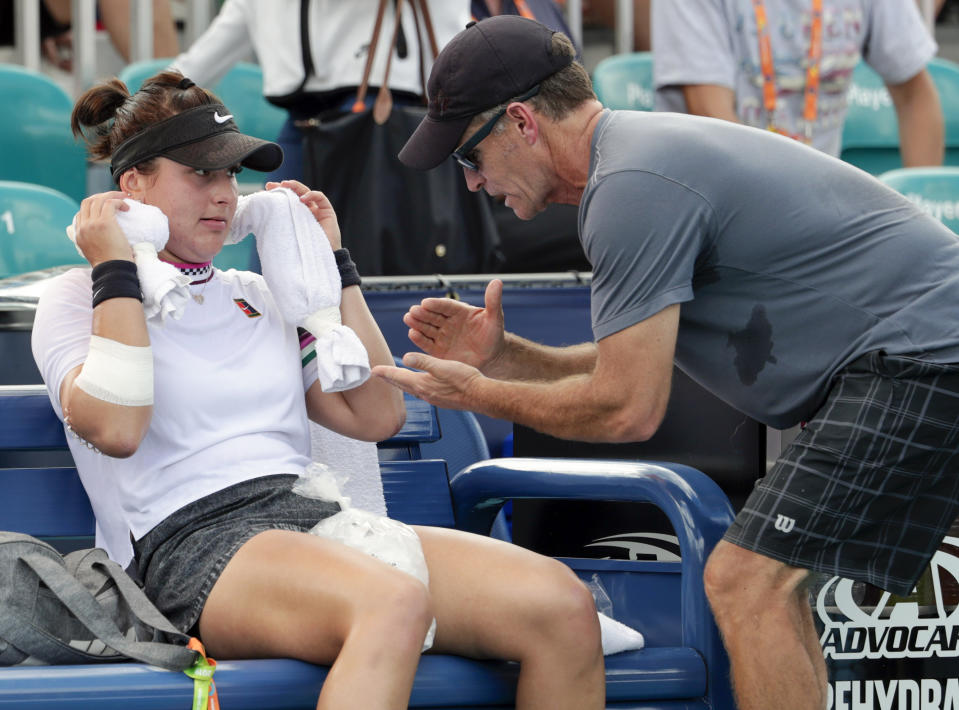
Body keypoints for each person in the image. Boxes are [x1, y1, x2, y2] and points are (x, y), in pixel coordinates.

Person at [373, 16, 959, 710]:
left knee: (748, 580)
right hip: (921, 348)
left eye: (468, 158)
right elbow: (632, 364)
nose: (470, 184)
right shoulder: (637, 162)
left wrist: (479, 394)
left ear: (523, 122)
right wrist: (506, 360)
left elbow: (626, 408)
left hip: (923, 352)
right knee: (765, 582)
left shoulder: (630, 188)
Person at [30, 68, 604, 709]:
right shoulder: (77, 297)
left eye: (230, 175)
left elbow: (378, 412)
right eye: (200, 173)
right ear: (132, 185)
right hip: (184, 550)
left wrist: (331, 264)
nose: (223, 194)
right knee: (390, 600)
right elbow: (117, 427)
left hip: (310, 519)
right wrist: (115, 265)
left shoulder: (255, 292)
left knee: (561, 603)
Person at [171, 0, 469, 185]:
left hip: (378, 109)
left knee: (371, 254)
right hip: (304, 120)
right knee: (275, 236)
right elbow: (211, 51)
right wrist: (150, 101)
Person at [651, 0, 944, 163]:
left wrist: (921, 228)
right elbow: (712, 117)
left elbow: (915, 96)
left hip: (819, 212)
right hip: (719, 209)